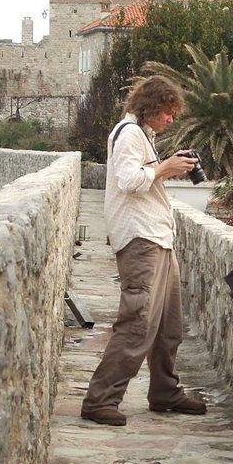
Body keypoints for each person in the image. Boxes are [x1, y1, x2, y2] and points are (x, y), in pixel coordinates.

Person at [81, 74, 207, 426]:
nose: (171, 119)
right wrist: (165, 167)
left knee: (169, 326)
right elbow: (129, 181)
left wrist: (164, 167)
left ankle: (165, 392)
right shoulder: (129, 133)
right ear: (150, 107)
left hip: (158, 238)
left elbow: (142, 175)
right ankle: (100, 400)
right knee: (137, 322)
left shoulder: (143, 136)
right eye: (167, 112)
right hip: (141, 240)